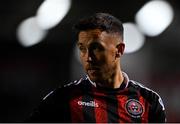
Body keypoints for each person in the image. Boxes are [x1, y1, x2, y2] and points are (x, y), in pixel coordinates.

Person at [26, 13, 166, 123]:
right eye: (82, 49)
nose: (88, 58)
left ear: (119, 50)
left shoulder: (149, 101)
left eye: (97, 48)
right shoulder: (61, 99)